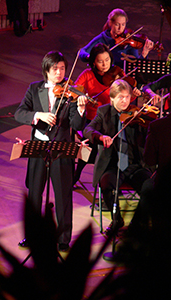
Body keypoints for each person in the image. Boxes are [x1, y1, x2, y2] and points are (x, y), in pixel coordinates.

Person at [14, 50, 87, 252]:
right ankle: (32, 236)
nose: (59, 72)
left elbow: (77, 124)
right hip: (38, 148)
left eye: (62, 68)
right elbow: (20, 113)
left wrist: (81, 110)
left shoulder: (71, 93)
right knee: (35, 194)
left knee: (63, 195)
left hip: (61, 150)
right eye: (55, 68)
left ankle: (63, 238)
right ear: (46, 69)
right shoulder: (33, 88)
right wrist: (38, 115)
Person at [83, 79, 152, 236]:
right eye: (120, 97)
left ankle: (137, 222)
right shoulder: (103, 112)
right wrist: (101, 137)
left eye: (127, 97)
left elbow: (149, 134)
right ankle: (117, 219)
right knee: (107, 186)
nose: (125, 101)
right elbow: (88, 129)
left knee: (150, 187)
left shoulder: (136, 113)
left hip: (134, 164)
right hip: (112, 165)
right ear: (112, 98)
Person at [73, 43, 141, 185]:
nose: (105, 64)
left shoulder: (117, 74)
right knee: (90, 146)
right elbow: (76, 89)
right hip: (92, 120)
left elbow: (126, 99)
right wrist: (82, 96)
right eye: (100, 61)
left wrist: (133, 94)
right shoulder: (87, 75)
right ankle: (77, 175)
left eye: (107, 60)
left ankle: (118, 174)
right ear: (93, 62)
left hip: (112, 119)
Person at [79, 8, 154, 68]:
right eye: (117, 24)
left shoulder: (129, 41)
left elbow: (137, 66)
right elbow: (82, 51)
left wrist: (145, 53)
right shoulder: (103, 38)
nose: (120, 28)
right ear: (110, 23)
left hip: (124, 77)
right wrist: (89, 57)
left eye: (123, 24)